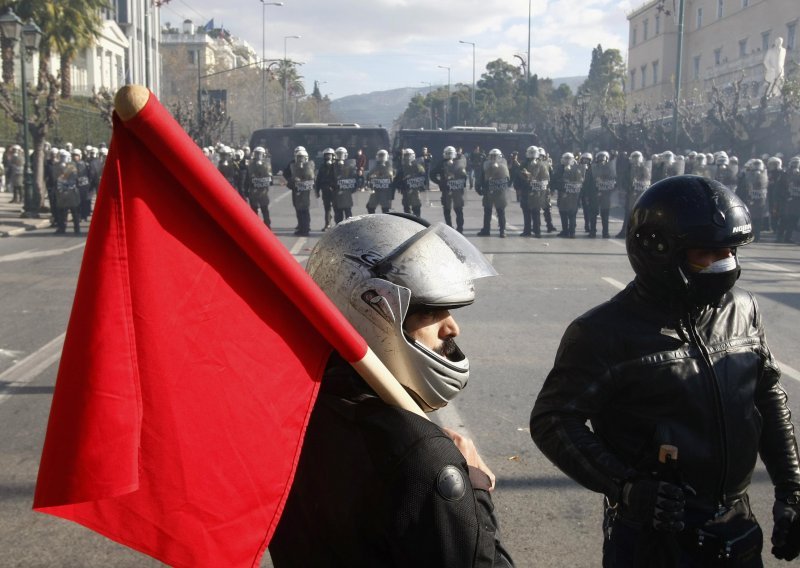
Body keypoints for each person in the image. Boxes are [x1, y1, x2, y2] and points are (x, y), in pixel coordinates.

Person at [531, 175, 800, 567]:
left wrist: (791, 490)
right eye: (705, 254)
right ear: (657, 250)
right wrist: (625, 486)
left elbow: (765, 396)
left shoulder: (743, 309)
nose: (723, 265)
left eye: (728, 252)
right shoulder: (603, 332)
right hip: (653, 534)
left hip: (737, 523)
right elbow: (553, 420)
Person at [269, 213, 514, 568]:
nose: (452, 327)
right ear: (372, 312)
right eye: (430, 311)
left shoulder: (298, 412)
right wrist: (475, 491)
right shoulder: (421, 455)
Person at [429, 145, 467, 231]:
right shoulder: (442, 163)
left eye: (451, 153)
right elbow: (432, 174)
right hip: (446, 190)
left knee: (458, 209)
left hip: (457, 190)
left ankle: (460, 228)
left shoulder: (459, 162)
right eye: (447, 153)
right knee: (447, 209)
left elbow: (464, 176)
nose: (449, 155)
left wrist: (461, 183)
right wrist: (439, 183)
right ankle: (450, 227)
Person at [476, 148, 509, 238]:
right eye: (492, 156)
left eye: (496, 156)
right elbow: (482, 176)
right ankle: (486, 229)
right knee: (487, 211)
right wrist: (478, 186)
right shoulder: (486, 164)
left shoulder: (503, 163)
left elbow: (507, 177)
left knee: (500, 211)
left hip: (499, 191)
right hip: (488, 191)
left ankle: (503, 230)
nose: (494, 158)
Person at [393, 148, 426, 217]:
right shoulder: (401, 168)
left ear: (412, 156)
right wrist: (400, 186)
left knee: (416, 207)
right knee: (407, 209)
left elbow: (423, 177)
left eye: (408, 155)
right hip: (405, 191)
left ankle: (418, 221)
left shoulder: (418, 166)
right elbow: (396, 181)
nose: (407, 157)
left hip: (415, 191)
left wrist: (422, 186)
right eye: (405, 155)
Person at [246, 146, 273, 228]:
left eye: (260, 154)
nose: (258, 156)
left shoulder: (267, 164)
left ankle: (267, 225)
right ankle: (255, 226)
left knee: (264, 208)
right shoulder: (250, 164)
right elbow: (248, 177)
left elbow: (269, 178)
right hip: (253, 191)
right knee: (254, 209)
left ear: (263, 155)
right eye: (257, 154)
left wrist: (262, 168)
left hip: (263, 191)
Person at [365, 149, 395, 214]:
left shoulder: (389, 167)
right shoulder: (376, 167)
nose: (381, 158)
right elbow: (369, 176)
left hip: (385, 191)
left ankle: (385, 222)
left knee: (385, 209)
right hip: (376, 191)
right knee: (370, 207)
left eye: (383, 156)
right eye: (380, 156)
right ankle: (373, 220)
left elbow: (391, 179)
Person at [333, 146, 357, 223]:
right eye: (338, 154)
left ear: (345, 155)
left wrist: (352, 188)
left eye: (341, 154)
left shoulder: (350, 166)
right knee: (337, 213)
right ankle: (338, 227)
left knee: (348, 212)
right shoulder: (333, 166)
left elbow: (353, 178)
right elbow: (330, 177)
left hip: (346, 193)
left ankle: (349, 227)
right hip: (336, 193)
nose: (340, 156)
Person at [315, 147, 336, 230]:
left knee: (337, 209)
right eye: (326, 155)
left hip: (334, 190)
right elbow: (318, 179)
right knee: (327, 208)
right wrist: (317, 191)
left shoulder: (336, 166)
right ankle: (327, 224)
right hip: (325, 189)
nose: (328, 157)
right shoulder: (322, 167)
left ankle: (338, 225)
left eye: (329, 155)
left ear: (333, 156)